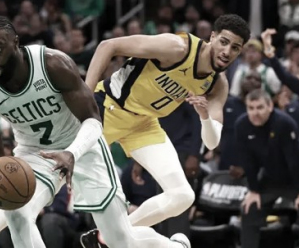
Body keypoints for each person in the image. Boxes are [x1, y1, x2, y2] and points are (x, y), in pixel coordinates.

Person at [0, 15, 189, 248]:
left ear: (16, 43)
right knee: (17, 214)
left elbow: (93, 120)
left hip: (82, 144)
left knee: (120, 241)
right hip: (35, 153)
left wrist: (72, 152)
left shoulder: (53, 64)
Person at [81, 13, 251, 246]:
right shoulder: (177, 47)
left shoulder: (217, 84)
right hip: (108, 108)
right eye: (224, 42)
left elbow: (212, 143)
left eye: (235, 48)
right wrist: (85, 97)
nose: (227, 51)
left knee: (183, 196)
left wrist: (203, 116)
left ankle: (105, 237)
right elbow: (108, 45)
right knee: (55, 175)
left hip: (144, 124)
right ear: (212, 37)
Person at [235, 89, 299, 248]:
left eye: (260, 107)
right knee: (249, 208)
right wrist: (253, 190)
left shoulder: (284, 123)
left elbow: (295, 161)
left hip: (295, 178)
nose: (255, 113)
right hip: (270, 178)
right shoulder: (242, 125)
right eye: (251, 108)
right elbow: (247, 161)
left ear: (270, 106)